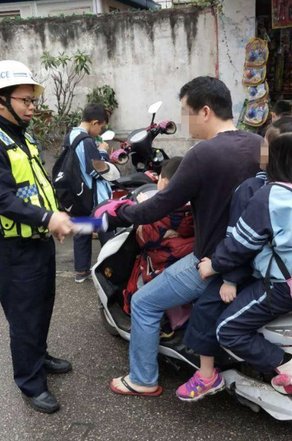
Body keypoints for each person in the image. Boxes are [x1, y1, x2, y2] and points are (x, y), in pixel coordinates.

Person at [104, 76, 262, 396]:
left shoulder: (203, 153)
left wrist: (119, 212)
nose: (183, 121)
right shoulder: (259, 144)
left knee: (144, 302)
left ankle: (142, 380)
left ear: (204, 112)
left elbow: (160, 205)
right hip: (255, 257)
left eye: (185, 113)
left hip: (210, 260)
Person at [189, 117, 292, 399]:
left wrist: (214, 267)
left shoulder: (267, 194)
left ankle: (291, 372)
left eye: (264, 146)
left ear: (274, 155)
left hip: (283, 283)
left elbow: (240, 244)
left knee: (226, 329)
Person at [0, 60, 75, 414]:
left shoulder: (24, 137)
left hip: (39, 240)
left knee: (42, 305)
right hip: (14, 248)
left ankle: (39, 355)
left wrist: (52, 219)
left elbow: (37, 185)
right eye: (26, 100)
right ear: (0, 100)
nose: (32, 107)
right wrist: (48, 218)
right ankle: (30, 382)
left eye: (33, 101)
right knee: (24, 314)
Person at [123, 157, 195, 329]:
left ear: (166, 181)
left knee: (139, 298)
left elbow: (144, 239)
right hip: (188, 264)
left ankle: (153, 329)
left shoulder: (159, 214)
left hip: (161, 266)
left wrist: (144, 209)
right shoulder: (196, 207)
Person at [70, 104, 114, 283]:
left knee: (82, 230)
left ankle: (81, 271)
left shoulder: (71, 136)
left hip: (77, 194)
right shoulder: (86, 141)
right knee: (107, 231)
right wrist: (103, 152)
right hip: (93, 197)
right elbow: (96, 171)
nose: (100, 131)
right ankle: (112, 269)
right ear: (94, 122)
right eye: (101, 127)